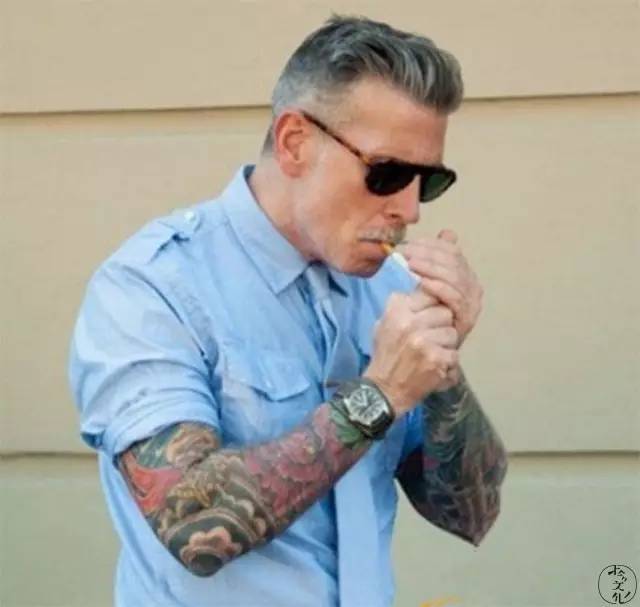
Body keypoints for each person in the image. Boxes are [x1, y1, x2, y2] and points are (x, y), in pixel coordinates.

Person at [68, 14, 508, 607]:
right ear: (295, 142)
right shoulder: (153, 286)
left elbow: (471, 515)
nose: (410, 210)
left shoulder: (386, 289)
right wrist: (380, 395)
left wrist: (441, 366)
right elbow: (192, 526)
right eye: (388, 174)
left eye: (427, 181)